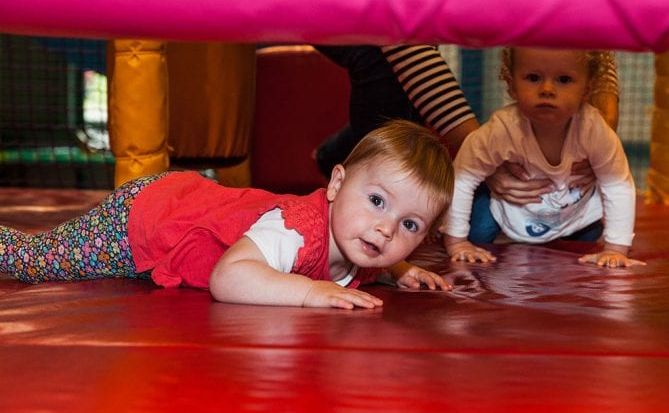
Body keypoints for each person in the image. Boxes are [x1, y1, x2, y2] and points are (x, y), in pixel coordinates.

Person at [0, 120, 455, 309]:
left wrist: (399, 268)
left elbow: (380, 242)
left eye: (409, 225)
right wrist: (308, 293)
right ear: (335, 184)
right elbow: (230, 277)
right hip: (146, 219)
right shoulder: (297, 229)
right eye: (377, 202)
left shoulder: (363, 242)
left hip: (186, 204)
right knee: (36, 262)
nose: (385, 228)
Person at [313, 44, 621, 229]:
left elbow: (585, 33)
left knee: (410, 96)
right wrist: (480, 154)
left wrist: (602, 127)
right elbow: (405, 40)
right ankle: (368, 186)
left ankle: (341, 148)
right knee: (379, 63)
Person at [441, 47, 645, 268]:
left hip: (569, 211)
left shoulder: (594, 130)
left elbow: (618, 184)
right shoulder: (501, 130)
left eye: (564, 79)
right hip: (509, 208)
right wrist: (457, 241)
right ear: (512, 86)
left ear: (587, 89)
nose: (547, 89)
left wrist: (616, 248)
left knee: (588, 235)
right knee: (478, 230)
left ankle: (566, 231)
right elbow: (462, 176)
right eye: (533, 78)